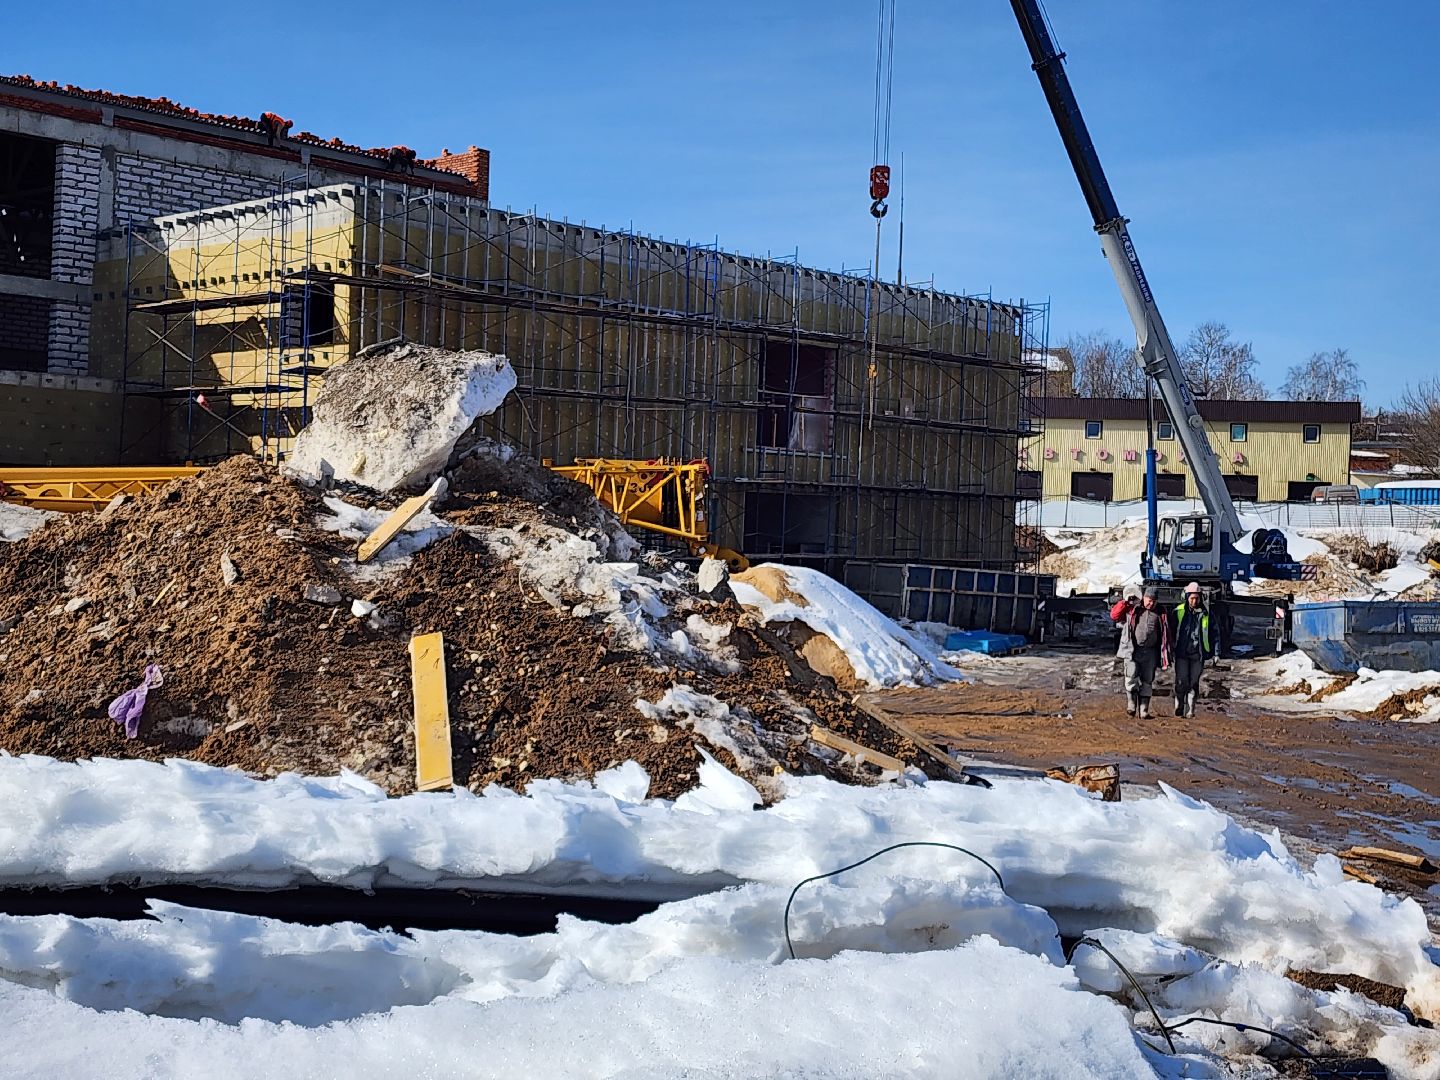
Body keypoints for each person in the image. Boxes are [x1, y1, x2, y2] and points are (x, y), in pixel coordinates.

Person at [1109, 585, 1171, 718]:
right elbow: (1114, 616)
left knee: (1147, 681)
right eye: (1149, 599)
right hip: (1133, 650)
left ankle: (1144, 710)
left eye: (1154, 600)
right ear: (1144, 598)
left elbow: (1166, 633)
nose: (1151, 603)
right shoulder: (1133, 608)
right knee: (1130, 678)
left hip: (1151, 652)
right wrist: (1125, 601)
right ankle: (1131, 705)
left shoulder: (1161, 612)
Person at [1172, 582, 1211, 718]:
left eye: (1196, 598)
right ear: (1186, 597)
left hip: (1197, 654)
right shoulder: (1178, 612)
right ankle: (1179, 705)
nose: (1194, 601)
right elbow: (1171, 632)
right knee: (1181, 680)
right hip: (1181, 653)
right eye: (1192, 598)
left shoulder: (1206, 614)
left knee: (1193, 682)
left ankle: (1191, 710)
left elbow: (1215, 634)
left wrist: (1216, 653)